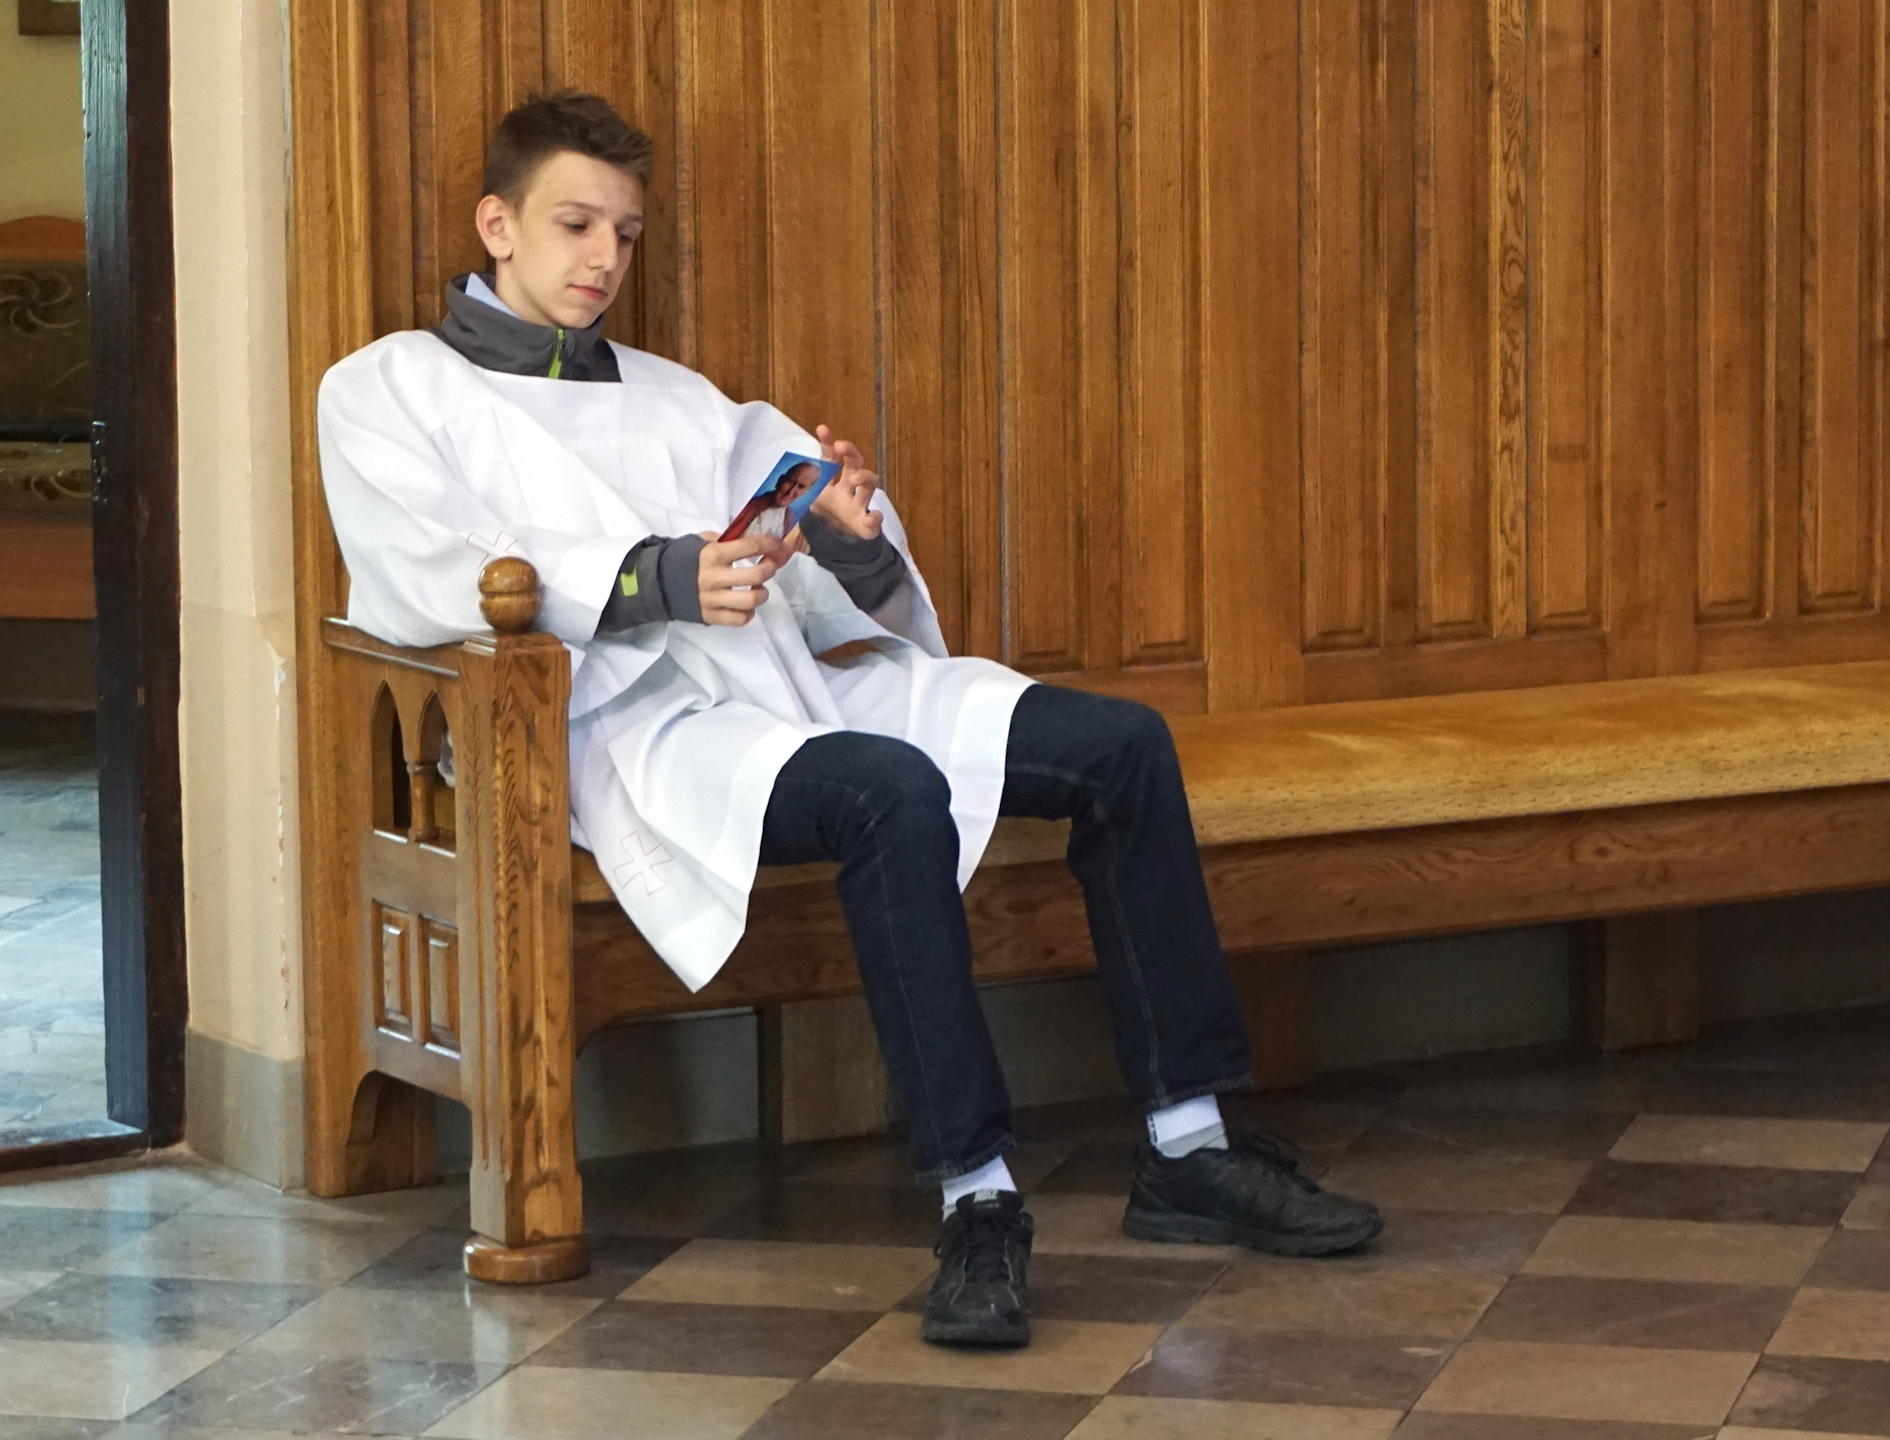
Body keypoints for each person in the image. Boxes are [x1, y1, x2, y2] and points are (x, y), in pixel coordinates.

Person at [317, 90, 1381, 1349]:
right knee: (892, 792)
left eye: (627, 233)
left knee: (1122, 749)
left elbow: (828, 596)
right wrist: (661, 579)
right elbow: (426, 575)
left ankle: (1188, 1146)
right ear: (497, 224)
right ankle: (977, 1196)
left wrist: (850, 540)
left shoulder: (682, 399)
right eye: (575, 224)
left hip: (793, 685)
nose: (605, 257)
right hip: (628, 728)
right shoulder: (390, 387)